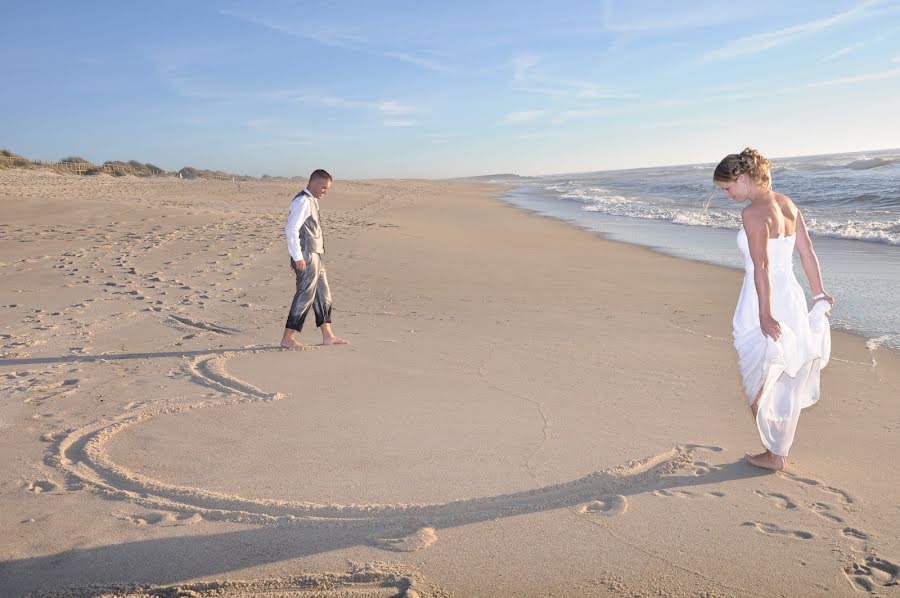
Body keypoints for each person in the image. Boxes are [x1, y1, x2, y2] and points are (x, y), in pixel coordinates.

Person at [713, 148, 832, 471]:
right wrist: (819, 293)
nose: (726, 195)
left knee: (756, 375)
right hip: (790, 296)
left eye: (727, 188)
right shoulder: (787, 204)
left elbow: (761, 267)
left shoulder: (753, 214)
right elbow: (806, 251)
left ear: (742, 178)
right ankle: (777, 449)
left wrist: (765, 314)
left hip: (761, 298)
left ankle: (774, 452)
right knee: (782, 372)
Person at [280, 169, 350, 349]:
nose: (325, 192)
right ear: (314, 183)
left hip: (315, 254)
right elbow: (291, 230)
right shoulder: (303, 201)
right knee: (305, 295)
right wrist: (297, 257)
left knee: (323, 295)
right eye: (324, 188)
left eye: (327, 189)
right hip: (306, 255)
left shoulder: (312, 201)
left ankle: (328, 335)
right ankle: (288, 338)